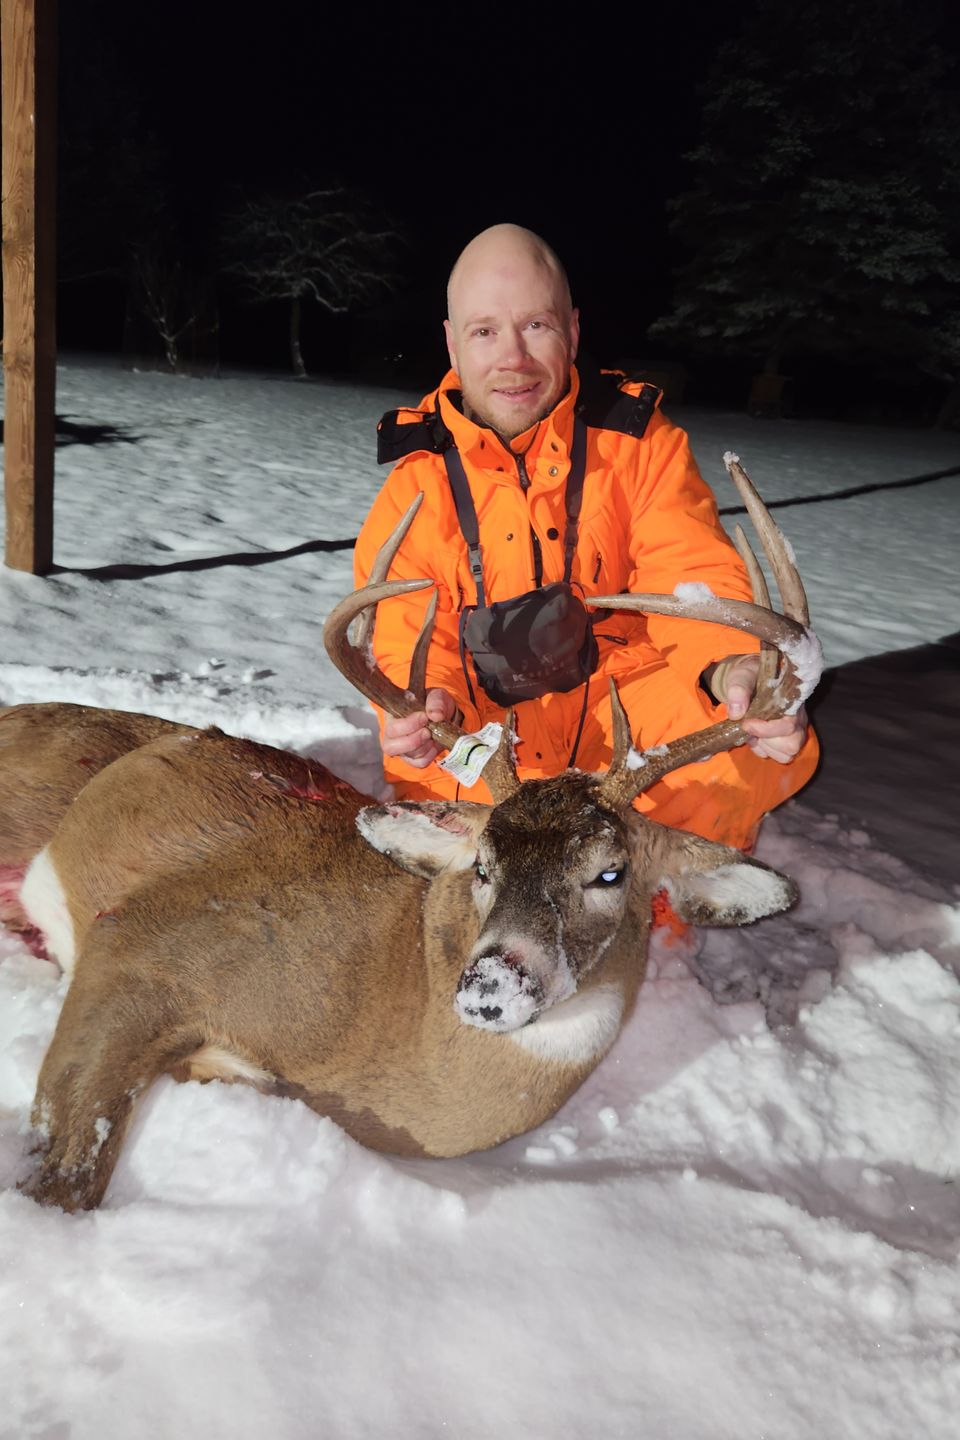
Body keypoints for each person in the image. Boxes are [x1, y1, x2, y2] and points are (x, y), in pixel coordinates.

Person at [354, 224, 818, 855]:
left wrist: (729, 665)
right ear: (452, 344)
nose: (512, 358)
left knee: (749, 740)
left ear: (572, 329)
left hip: (621, 701)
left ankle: (650, 912)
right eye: (485, 331)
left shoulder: (639, 444)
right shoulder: (415, 484)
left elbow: (691, 572)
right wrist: (429, 704)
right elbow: (408, 636)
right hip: (483, 724)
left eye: (536, 326)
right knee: (438, 798)